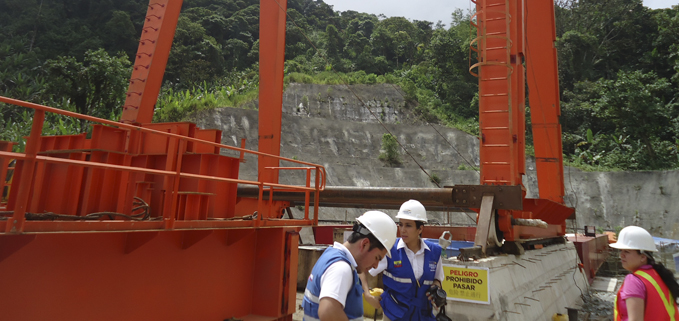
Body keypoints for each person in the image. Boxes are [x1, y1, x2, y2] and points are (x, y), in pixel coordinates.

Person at [303, 211, 398, 321]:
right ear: (365, 244)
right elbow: (328, 311)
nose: (376, 266)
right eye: (377, 257)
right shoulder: (341, 268)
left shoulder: (330, 255)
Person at [361, 200, 445, 321]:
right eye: (401, 224)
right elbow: (361, 268)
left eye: (408, 225)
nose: (402, 230)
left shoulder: (434, 252)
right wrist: (368, 295)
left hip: (423, 316)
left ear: (420, 229)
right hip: (394, 315)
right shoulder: (390, 250)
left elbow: (438, 279)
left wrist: (436, 288)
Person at [610, 225, 679, 321]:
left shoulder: (633, 280)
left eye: (627, 251)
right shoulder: (657, 275)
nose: (621, 255)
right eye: (621, 251)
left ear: (643, 257)